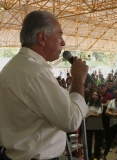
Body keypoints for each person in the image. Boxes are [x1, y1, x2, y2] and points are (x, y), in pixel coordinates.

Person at [0, 11, 89, 159]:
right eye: (59, 35)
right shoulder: (36, 73)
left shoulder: (12, 67)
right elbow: (71, 121)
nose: (63, 42)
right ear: (42, 38)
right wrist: (78, 80)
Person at [100, 89, 117, 160]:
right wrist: (115, 114)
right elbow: (106, 112)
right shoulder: (112, 101)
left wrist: (111, 114)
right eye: (115, 94)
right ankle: (104, 155)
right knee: (109, 140)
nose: (116, 96)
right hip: (112, 123)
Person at [86, 91, 103, 159]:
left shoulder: (100, 104)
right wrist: (94, 113)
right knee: (88, 141)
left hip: (98, 126)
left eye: (96, 95)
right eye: (93, 94)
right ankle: (88, 154)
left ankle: (97, 154)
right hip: (89, 126)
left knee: (97, 141)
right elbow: (85, 114)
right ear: (91, 96)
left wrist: (90, 113)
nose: (95, 96)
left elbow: (98, 115)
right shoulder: (88, 103)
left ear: (98, 96)